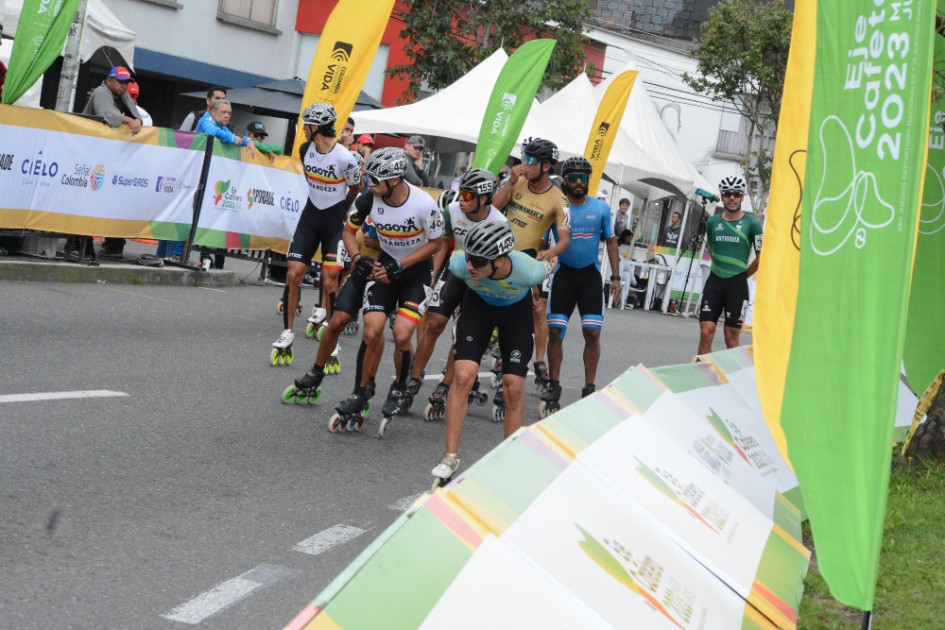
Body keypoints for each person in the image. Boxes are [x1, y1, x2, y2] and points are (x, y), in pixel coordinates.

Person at [430, 220, 555, 483]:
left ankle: (510, 458)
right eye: (469, 259)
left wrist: (538, 296)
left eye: (478, 262)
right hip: (478, 307)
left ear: (498, 261)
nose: (470, 266)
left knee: (513, 387)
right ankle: (449, 456)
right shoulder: (460, 263)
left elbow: (549, 267)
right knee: (463, 376)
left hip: (515, 313)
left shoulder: (530, 271)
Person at [331, 147, 443, 430]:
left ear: (394, 180)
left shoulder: (424, 203)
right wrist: (357, 258)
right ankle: (363, 390)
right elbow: (347, 231)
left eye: (375, 180)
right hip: (385, 266)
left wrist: (401, 265)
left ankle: (398, 386)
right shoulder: (368, 198)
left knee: (402, 334)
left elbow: (436, 244)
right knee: (371, 331)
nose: (369, 184)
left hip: (416, 271)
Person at [408, 169, 507, 416]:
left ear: (483, 199)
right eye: (459, 192)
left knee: (459, 334)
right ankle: (413, 379)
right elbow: (442, 243)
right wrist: (432, 277)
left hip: (480, 280)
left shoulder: (498, 222)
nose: (460, 199)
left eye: (466, 194)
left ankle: (444, 385)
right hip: (456, 270)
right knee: (434, 323)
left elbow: (498, 266)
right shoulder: (452, 211)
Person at [271, 102, 360, 361]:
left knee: (331, 277)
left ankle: (332, 337)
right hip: (311, 217)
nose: (304, 130)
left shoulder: (345, 157)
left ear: (314, 126)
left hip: (334, 220)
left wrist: (343, 208)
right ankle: (287, 331)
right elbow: (312, 181)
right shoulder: (304, 149)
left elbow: (356, 187)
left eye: (306, 125)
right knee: (294, 272)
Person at [491, 137, 570, 394]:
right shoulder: (518, 182)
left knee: (536, 309)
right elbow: (494, 207)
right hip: (501, 256)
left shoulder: (560, 199)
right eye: (524, 158)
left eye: (531, 161)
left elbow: (565, 240)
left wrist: (550, 251)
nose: (524, 165)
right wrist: (511, 181)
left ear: (546, 166)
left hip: (530, 260)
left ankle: (537, 361)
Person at [542, 157, 621, 412]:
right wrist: (537, 274)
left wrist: (616, 278)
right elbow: (542, 244)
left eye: (583, 178)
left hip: (589, 276)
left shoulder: (600, 209)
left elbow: (611, 243)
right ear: (565, 180)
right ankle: (554, 385)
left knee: (592, 333)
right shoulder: (557, 208)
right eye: (574, 177)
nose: (578, 182)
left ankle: (589, 388)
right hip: (564, 275)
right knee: (555, 332)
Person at [697, 175, 763, 354]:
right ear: (722, 196)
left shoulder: (753, 224)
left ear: (742, 197)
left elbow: (761, 258)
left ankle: (735, 379)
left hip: (737, 286)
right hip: (715, 282)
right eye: (727, 194)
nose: (732, 198)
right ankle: (702, 373)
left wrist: (742, 276)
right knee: (705, 331)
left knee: (730, 336)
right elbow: (711, 248)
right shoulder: (713, 222)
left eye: (736, 194)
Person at [83, 66, 142, 258]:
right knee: (89, 200)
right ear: (109, 80)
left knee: (112, 201)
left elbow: (137, 116)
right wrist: (130, 121)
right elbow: (107, 114)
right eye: (120, 81)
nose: (124, 86)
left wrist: (136, 120)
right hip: (91, 156)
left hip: (110, 160)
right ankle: (81, 245)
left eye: (126, 82)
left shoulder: (122, 96)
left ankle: (114, 245)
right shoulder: (101, 92)